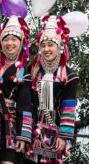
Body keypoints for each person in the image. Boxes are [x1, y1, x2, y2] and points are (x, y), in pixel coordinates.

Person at [25, 15, 78, 163]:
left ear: (59, 46)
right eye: (43, 45)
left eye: (50, 45)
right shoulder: (33, 70)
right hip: (30, 130)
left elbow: (68, 107)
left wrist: (64, 136)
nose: (46, 49)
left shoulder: (69, 75)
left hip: (53, 134)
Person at [0, 14, 33, 164]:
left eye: (14, 39)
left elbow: (24, 104)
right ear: (1, 42)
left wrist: (22, 134)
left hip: (11, 125)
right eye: (6, 39)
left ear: (21, 43)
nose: (10, 43)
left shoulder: (23, 72)